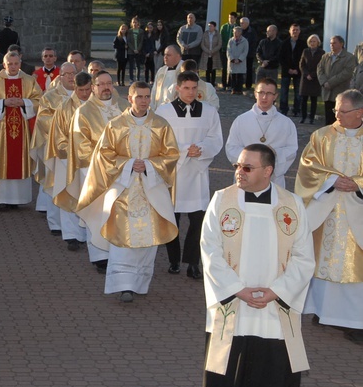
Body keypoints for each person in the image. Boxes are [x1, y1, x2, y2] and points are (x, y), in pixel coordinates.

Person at [200, 143, 314, 387]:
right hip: (233, 306)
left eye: (247, 167)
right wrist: (238, 289)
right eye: (238, 166)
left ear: (268, 171)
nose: (239, 171)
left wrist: (276, 292)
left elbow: (304, 257)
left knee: (269, 385)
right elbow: (209, 251)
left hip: (274, 310)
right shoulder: (222, 200)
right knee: (221, 385)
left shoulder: (292, 205)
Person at [77, 82, 179, 302]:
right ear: (130, 98)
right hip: (124, 189)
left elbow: (171, 155)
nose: (144, 100)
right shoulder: (116, 125)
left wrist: (150, 166)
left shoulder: (161, 125)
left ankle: (140, 283)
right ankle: (124, 285)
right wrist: (130, 163)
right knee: (123, 236)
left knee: (148, 237)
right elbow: (104, 154)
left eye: (147, 96)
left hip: (150, 190)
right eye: (139, 96)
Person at [296, 89, 363, 344]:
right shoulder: (322, 136)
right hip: (328, 210)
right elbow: (308, 167)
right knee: (323, 257)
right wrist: (333, 180)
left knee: (355, 266)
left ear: (359, 113)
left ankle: (355, 321)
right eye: (335, 109)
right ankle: (324, 311)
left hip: (358, 212)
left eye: (342, 111)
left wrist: (358, 184)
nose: (336, 115)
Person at [155, 72, 223, 279]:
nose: (191, 92)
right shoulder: (164, 112)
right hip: (174, 172)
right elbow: (159, 140)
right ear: (178, 88)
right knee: (171, 218)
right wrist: (185, 150)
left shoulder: (209, 112)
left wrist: (201, 149)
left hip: (198, 172)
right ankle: (174, 260)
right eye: (186, 88)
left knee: (198, 219)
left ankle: (193, 262)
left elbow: (215, 138)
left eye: (194, 88)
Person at [62, 70, 126, 268]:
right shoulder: (84, 112)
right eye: (101, 84)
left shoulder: (124, 106)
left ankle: (120, 252)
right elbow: (81, 146)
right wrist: (108, 161)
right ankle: (99, 256)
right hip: (95, 171)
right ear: (94, 88)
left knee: (120, 212)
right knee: (97, 212)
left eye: (109, 83)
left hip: (125, 170)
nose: (106, 87)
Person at [0, 51, 42, 208]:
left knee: (20, 160)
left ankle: (18, 200)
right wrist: (3, 102)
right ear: (4, 64)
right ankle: (1, 200)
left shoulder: (29, 81)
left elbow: (39, 100)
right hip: (1, 130)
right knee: (1, 160)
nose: (13, 67)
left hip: (22, 129)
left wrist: (24, 102)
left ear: (20, 64)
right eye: (10, 64)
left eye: (16, 63)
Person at [45, 72, 93, 252]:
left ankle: (89, 235)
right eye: (81, 90)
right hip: (69, 159)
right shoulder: (65, 107)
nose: (85, 94)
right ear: (75, 87)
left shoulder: (97, 108)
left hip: (92, 161)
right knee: (69, 194)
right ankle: (72, 236)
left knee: (88, 197)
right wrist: (70, 150)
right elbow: (58, 136)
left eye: (88, 89)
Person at [29, 62, 76, 237]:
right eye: (67, 74)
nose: (71, 77)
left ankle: (76, 225)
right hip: (57, 147)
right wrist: (65, 131)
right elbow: (43, 119)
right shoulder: (50, 97)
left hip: (80, 148)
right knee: (55, 182)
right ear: (60, 76)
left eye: (73, 74)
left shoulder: (85, 95)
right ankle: (55, 222)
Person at [226, 78, 298, 189]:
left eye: (269, 93)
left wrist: (273, 154)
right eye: (261, 93)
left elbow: (292, 149)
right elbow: (231, 147)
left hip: (274, 181)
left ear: (275, 96)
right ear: (255, 94)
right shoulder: (241, 120)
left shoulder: (286, 123)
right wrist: (251, 161)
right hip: (246, 177)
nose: (264, 97)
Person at [317, 35, 356, 125]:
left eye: (334, 43)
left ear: (341, 44)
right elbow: (319, 69)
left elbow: (346, 73)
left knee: (339, 118)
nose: (332, 45)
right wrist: (324, 82)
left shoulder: (349, 57)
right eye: (331, 43)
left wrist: (330, 83)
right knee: (328, 118)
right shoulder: (325, 56)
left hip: (340, 91)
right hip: (327, 92)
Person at [279, 23, 305, 116]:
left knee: (298, 92)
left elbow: (304, 58)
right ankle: (283, 109)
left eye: (297, 30)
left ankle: (296, 110)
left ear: (299, 31)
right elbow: (281, 58)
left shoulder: (303, 44)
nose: (295, 32)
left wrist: (297, 69)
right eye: (293, 30)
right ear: (290, 31)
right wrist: (288, 69)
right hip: (286, 71)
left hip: (298, 71)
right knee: (284, 91)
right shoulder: (284, 43)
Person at [299, 34, 323, 124]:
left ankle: (311, 117)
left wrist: (313, 75)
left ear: (318, 42)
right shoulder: (305, 51)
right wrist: (306, 74)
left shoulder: (321, 52)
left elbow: (321, 66)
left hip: (315, 78)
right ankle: (303, 116)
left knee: (314, 100)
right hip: (305, 78)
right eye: (311, 41)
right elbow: (302, 64)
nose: (312, 43)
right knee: (304, 99)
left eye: (314, 41)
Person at [151, 45, 183, 110]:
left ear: (178, 56)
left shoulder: (185, 70)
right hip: (159, 109)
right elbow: (154, 91)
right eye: (164, 54)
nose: (165, 57)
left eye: (169, 55)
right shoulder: (161, 71)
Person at [226, 26, 249, 95]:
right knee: (233, 76)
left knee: (239, 76)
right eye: (234, 32)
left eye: (237, 32)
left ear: (240, 32)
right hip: (232, 61)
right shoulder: (231, 40)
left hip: (240, 61)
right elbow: (228, 51)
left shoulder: (244, 41)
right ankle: (233, 89)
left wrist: (239, 59)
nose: (235, 33)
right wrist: (232, 59)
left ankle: (239, 89)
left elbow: (245, 51)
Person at [219, 12, 239, 90]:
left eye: (232, 18)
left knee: (232, 68)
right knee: (224, 67)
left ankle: (231, 84)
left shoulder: (237, 27)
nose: (230, 19)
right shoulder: (224, 27)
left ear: (235, 18)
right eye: (229, 17)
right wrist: (224, 46)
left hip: (234, 51)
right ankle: (224, 84)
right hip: (224, 50)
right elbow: (221, 38)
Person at [199, 21, 222, 86]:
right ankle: (208, 82)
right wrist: (207, 50)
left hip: (215, 54)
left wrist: (213, 50)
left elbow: (219, 44)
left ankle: (213, 82)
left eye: (211, 26)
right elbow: (202, 44)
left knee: (213, 69)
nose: (210, 27)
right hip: (206, 54)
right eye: (209, 26)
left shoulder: (218, 34)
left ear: (214, 27)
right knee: (207, 68)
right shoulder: (205, 34)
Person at [240, 17, 258, 91]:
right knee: (240, 70)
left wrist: (247, 52)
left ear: (247, 24)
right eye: (240, 23)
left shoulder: (252, 32)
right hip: (239, 54)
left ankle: (248, 85)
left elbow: (253, 43)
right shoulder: (239, 31)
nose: (241, 24)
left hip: (249, 54)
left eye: (242, 23)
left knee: (249, 70)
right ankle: (239, 84)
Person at [126, 17, 144, 83]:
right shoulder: (130, 31)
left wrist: (138, 49)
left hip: (138, 51)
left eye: (136, 22)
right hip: (131, 51)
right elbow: (128, 41)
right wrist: (133, 49)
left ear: (138, 23)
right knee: (131, 66)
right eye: (133, 22)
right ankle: (131, 79)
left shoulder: (141, 31)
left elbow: (141, 41)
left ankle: (137, 78)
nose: (134, 24)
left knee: (138, 66)